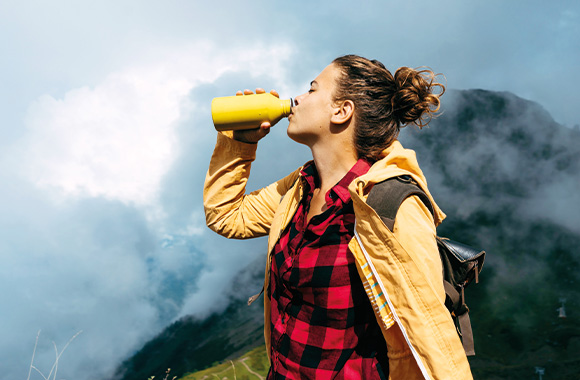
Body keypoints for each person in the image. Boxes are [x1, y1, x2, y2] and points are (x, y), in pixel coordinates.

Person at [204, 55, 473, 379]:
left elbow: (430, 337)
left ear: (341, 111)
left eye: (312, 90)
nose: (298, 99)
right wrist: (241, 143)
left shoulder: (391, 205)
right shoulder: (302, 187)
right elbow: (226, 216)